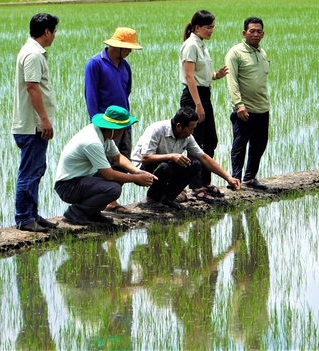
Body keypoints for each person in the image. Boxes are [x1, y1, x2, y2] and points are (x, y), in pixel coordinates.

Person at [54, 106, 156, 226]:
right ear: (114, 128)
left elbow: (117, 158)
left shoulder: (104, 134)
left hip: (82, 179)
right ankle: (76, 212)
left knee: (117, 175)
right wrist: (136, 179)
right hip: (68, 186)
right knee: (113, 188)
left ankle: (92, 211)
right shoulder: (93, 141)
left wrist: (137, 171)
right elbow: (109, 175)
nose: (122, 132)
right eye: (122, 129)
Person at [179, 10, 238, 200]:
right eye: (209, 27)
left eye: (213, 27)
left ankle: (205, 182)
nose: (212, 30)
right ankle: (196, 187)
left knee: (210, 140)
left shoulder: (201, 45)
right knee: (195, 142)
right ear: (197, 27)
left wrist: (216, 75)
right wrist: (197, 104)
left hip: (204, 94)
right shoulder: (190, 45)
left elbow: (202, 73)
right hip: (193, 97)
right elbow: (189, 77)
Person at [132, 107, 241, 207]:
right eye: (190, 129)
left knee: (195, 165)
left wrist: (228, 178)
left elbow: (204, 158)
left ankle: (165, 198)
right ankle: (152, 199)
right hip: (141, 170)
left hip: (164, 168)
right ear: (179, 126)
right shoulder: (157, 130)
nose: (192, 132)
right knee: (166, 166)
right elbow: (145, 159)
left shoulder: (187, 137)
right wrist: (171, 156)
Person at [84, 27, 142, 214]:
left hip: (123, 122)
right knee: (103, 163)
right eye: (128, 47)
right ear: (117, 47)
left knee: (122, 158)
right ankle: (102, 201)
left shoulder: (125, 66)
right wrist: (97, 125)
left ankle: (112, 199)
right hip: (105, 124)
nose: (131, 51)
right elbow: (91, 96)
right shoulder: (95, 64)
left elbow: (127, 92)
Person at [11, 13, 60, 233]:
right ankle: (24, 218)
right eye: (54, 31)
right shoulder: (32, 55)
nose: (55, 36)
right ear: (47, 31)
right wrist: (44, 120)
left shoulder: (32, 52)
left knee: (36, 170)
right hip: (32, 126)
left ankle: (32, 214)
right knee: (30, 171)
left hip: (34, 125)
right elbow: (32, 88)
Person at [225, 17, 271, 190]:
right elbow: (232, 81)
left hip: (262, 107)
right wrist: (239, 105)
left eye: (259, 31)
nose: (255, 34)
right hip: (244, 108)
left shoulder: (262, 52)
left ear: (263, 34)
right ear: (244, 33)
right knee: (240, 143)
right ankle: (235, 179)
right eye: (252, 31)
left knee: (260, 143)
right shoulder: (235, 53)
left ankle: (250, 178)